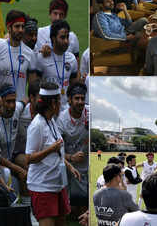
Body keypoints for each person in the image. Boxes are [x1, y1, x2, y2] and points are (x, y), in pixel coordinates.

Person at [25, 81, 80, 226]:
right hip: (42, 186)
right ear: (53, 104)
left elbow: (57, 151)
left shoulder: (51, 121)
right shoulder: (37, 125)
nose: (61, 104)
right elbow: (29, 158)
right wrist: (51, 149)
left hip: (57, 184)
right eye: (59, 101)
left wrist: (69, 166)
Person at [57, 82, 89, 217]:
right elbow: (55, 151)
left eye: (82, 98)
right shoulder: (62, 120)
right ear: (69, 100)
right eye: (77, 98)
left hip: (85, 166)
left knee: (82, 211)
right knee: (71, 211)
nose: (80, 102)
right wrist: (71, 158)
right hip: (67, 165)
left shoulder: (90, 114)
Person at [0, 10, 37, 101]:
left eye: (22, 26)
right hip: (1, 105)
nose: (20, 30)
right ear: (9, 27)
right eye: (17, 26)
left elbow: (33, 86)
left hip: (20, 106)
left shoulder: (29, 53)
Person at [36, 20, 78, 111]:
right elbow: (36, 86)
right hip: (47, 110)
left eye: (67, 37)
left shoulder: (72, 59)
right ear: (53, 38)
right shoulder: (42, 57)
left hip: (65, 111)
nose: (66, 41)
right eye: (62, 37)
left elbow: (74, 87)